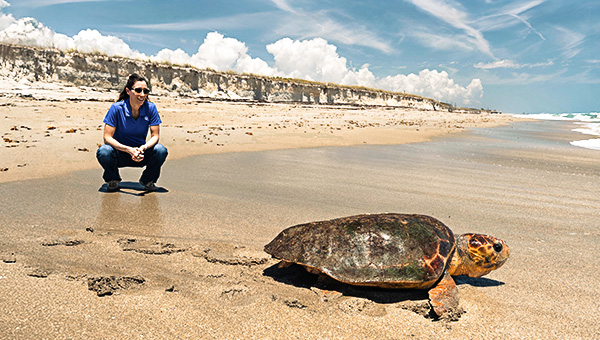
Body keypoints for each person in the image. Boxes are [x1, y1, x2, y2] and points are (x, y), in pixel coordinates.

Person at [96, 73, 168, 192]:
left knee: (160, 150)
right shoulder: (116, 108)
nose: (142, 94)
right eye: (138, 90)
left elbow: (155, 136)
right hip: (120, 154)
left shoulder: (151, 108)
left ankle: (148, 180)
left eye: (145, 91)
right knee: (104, 151)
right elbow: (107, 138)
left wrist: (143, 148)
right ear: (128, 91)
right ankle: (113, 180)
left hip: (141, 154)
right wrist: (128, 150)